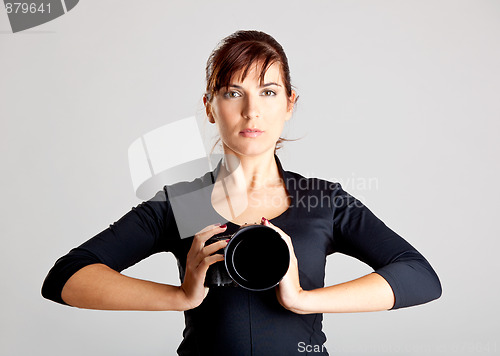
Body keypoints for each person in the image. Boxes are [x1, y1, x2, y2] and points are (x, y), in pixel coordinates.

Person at [41, 30, 442, 355]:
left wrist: (301, 298)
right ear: (211, 106)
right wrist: (182, 295)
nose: (252, 110)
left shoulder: (322, 201)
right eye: (233, 92)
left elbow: (420, 277)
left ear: (289, 103)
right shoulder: (183, 203)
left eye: (268, 92)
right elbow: (65, 277)